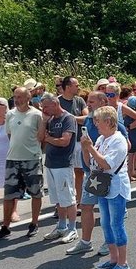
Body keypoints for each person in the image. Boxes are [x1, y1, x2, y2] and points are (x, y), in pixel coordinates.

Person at [81, 106, 132, 269]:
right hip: (102, 185)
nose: (95, 124)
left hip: (115, 186)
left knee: (116, 224)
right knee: (105, 222)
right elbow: (90, 164)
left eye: (98, 120)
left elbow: (106, 164)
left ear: (108, 122)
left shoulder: (118, 140)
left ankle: (123, 262)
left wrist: (91, 148)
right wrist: (85, 148)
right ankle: (113, 258)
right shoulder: (102, 139)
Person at [0, 87, 44, 241]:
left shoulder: (36, 114)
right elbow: (9, 134)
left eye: (20, 96)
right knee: (9, 194)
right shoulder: (10, 114)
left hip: (32, 159)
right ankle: (5, 226)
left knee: (36, 192)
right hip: (13, 159)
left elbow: (41, 136)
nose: (17, 99)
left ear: (28, 97)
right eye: (15, 96)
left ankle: (34, 223)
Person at [38, 93, 79, 244]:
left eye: (46, 106)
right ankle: (62, 225)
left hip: (63, 164)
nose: (44, 109)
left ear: (55, 104)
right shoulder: (50, 119)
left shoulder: (68, 118)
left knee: (68, 198)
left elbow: (64, 141)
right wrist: (43, 122)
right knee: (57, 199)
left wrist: (49, 139)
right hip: (50, 163)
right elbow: (40, 138)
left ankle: (73, 228)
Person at [57, 76, 87, 205]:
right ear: (68, 87)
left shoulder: (79, 101)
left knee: (79, 172)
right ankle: (62, 204)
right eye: (76, 85)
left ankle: (79, 200)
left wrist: (70, 118)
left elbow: (86, 117)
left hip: (78, 141)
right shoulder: (56, 101)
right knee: (64, 173)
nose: (78, 87)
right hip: (63, 142)